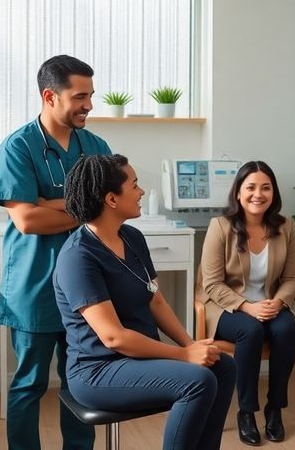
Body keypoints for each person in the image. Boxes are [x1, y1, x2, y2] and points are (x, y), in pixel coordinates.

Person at [53, 154, 236, 450]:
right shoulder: (78, 257)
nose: (141, 192)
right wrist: (184, 357)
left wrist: (190, 345)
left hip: (138, 360)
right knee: (197, 381)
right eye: (135, 185)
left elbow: (156, 301)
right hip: (98, 370)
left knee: (222, 367)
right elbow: (114, 337)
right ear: (111, 199)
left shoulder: (132, 237)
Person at [0, 54, 113, 450]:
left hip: (86, 288)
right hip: (34, 287)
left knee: (81, 380)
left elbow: (107, 207)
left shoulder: (95, 146)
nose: (89, 105)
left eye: (91, 95)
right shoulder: (18, 146)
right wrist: (81, 207)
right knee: (29, 383)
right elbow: (26, 220)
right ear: (50, 96)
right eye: (80, 96)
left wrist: (51, 203)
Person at [198, 161, 295, 446]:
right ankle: (246, 412)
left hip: (270, 304)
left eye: (265, 187)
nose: (259, 194)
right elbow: (212, 283)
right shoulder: (220, 227)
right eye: (251, 187)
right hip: (228, 307)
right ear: (239, 193)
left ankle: (275, 408)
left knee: (286, 331)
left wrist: (278, 302)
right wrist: (247, 306)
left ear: (273, 193)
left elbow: (293, 278)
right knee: (251, 331)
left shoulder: (286, 227)